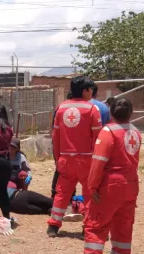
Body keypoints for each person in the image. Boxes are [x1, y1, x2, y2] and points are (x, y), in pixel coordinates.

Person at [73, 98, 141, 254]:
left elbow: (98, 162)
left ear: (111, 112)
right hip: (131, 183)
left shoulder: (108, 132)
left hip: (112, 185)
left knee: (95, 225)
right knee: (123, 226)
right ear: (131, 113)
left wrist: (92, 187)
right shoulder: (135, 132)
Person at [47, 76, 102, 238]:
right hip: (87, 160)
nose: (92, 92)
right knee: (89, 194)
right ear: (85, 90)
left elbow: (55, 137)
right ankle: (87, 227)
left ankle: (54, 226)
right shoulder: (92, 109)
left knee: (62, 194)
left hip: (65, 159)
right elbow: (98, 139)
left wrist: (58, 159)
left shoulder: (61, 108)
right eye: (90, 89)